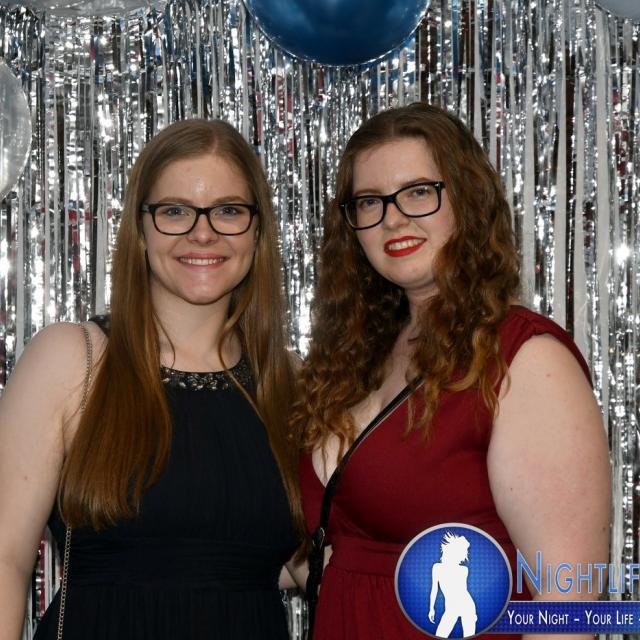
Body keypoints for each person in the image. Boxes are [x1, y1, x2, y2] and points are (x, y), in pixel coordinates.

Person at [293, 103, 611, 640]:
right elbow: (345, 555)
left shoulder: (525, 358)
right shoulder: (361, 354)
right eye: (369, 201)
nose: (393, 218)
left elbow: (571, 604)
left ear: (467, 199)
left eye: (419, 192)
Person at [0, 118, 303, 639]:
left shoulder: (290, 380)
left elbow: (302, 563)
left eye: (229, 210)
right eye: (175, 211)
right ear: (140, 229)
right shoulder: (73, 359)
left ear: (257, 230)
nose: (202, 232)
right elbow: (5, 558)